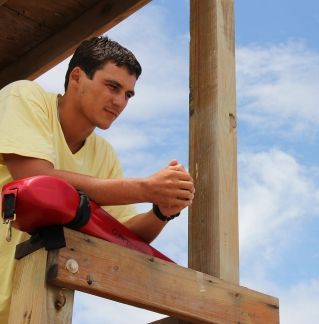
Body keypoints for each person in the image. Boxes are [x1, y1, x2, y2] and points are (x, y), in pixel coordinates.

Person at [0, 36, 195, 321]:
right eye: (112, 86)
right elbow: (36, 180)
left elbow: (124, 237)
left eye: (128, 94)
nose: (119, 101)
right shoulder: (25, 96)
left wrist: (162, 210)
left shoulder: (104, 154)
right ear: (77, 76)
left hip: (31, 307)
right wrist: (145, 188)